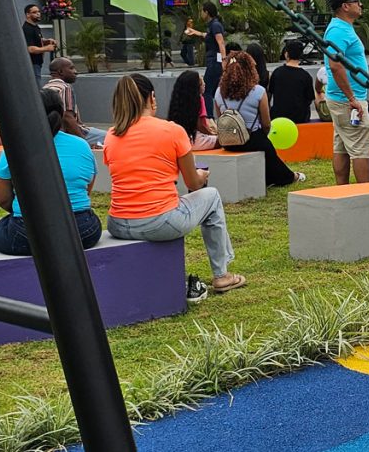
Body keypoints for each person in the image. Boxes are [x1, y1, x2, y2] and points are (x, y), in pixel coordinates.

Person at [104, 73, 245, 300]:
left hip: (118, 223)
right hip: (159, 221)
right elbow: (193, 183)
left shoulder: (112, 135)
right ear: (151, 97)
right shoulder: (171, 130)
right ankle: (222, 274)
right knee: (212, 196)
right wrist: (201, 174)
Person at [0, 90, 101, 254]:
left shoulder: (15, 145)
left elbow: (2, 198)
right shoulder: (82, 145)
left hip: (26, 231)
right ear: (61, 113)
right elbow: (86, 189)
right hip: (83, 230)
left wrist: (26, 211)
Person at [214, 51, 304, 186]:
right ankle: (289, 177)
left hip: (228, 141)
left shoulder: (218, 92)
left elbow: (220, 118)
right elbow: (266, 123)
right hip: (252, 139)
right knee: (269, 150)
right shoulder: (259, 91)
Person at [323, 0, 369, 184]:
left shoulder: (342, 27)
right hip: (348, 100)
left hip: (345, 98)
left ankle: (342, 189)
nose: (360, 5)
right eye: (356, 1)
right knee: (360, 147)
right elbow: (335, 65)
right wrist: (352, 98)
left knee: (342, 145)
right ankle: (364, 194)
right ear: (345, 6)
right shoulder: (337, 30)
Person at [42, 57, 107, 149]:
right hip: (72, 133)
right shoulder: (65, 87)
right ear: (60, 72)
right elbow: (68, 118)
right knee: (110, 138)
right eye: (71, 68)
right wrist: (83, 142)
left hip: (53, 133)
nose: (76, 72)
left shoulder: (45, 88)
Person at [167, 69, 218, 150]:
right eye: (201, 83)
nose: (204, 84)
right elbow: (200, 125)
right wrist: (212, 134)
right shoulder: (199, 99)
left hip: (178, 140)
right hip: (195, 139)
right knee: (222, 141)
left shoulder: (177, 101)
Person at [267, 40, 315, 123]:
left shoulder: (277, 72)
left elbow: (270, 92)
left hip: (279, 117)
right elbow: (309, 98)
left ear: (286, 54)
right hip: (300, 117)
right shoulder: (305, 76)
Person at [22, 3, 57, 87]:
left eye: (38, 12)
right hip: (32, 64)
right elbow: (30, 49)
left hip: (38, 63)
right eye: (34, 12)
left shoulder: (36, 27)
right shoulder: (27, 29)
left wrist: (47, 41)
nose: (38, 14)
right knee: (36, 88)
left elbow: (38, 40)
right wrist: (47, 48)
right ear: (28, 15)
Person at [201, 2, 226, 99]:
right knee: (214, 90)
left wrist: (224, 60)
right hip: (213, 60)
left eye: (202, 11)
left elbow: (221, 43)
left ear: (206, 12)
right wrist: (195, 32)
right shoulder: (211, 25)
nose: (201, 14)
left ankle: (209, 114)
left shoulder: (215, 25)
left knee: (207, 90)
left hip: (215, 60)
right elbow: (207, 36)